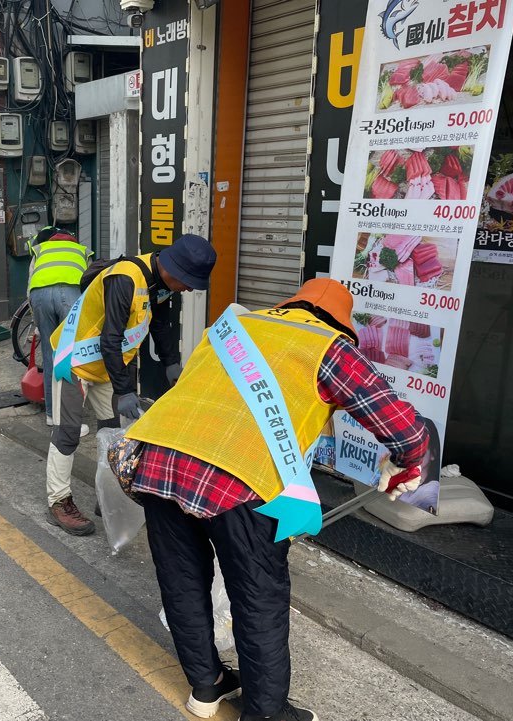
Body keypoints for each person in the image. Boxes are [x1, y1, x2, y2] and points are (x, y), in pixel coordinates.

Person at [124, 279, 427, 721]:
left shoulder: (232, 327)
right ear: (341, 323)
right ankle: (266, 713)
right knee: (257, 596)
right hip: (238, 476)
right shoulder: (331, 347)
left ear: (291, 304)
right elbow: (409, 432)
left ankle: (206, 687)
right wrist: (403, 464)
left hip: (160, 458)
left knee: (182, 580)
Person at [45, 233, 217, 536]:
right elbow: (110, 339)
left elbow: (160, 325)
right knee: (68, 433)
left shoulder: (160, 283)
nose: (189, 288)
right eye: (188, 281)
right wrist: (124, 390)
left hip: (107, 367)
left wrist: (171, 364)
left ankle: (106, 495)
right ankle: (58, 501)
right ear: (173, 269)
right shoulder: (125, 280)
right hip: (76, 362)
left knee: (112, 435)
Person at [26, 226, 92, 435]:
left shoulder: (41, 250)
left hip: (40, 296)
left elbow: (30, 285)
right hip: (70, 294)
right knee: (70, 356)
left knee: (49, 355)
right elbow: (90, 285)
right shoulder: (82, 251)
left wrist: (36, 321)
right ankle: (68, 420)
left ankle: (52, 415)